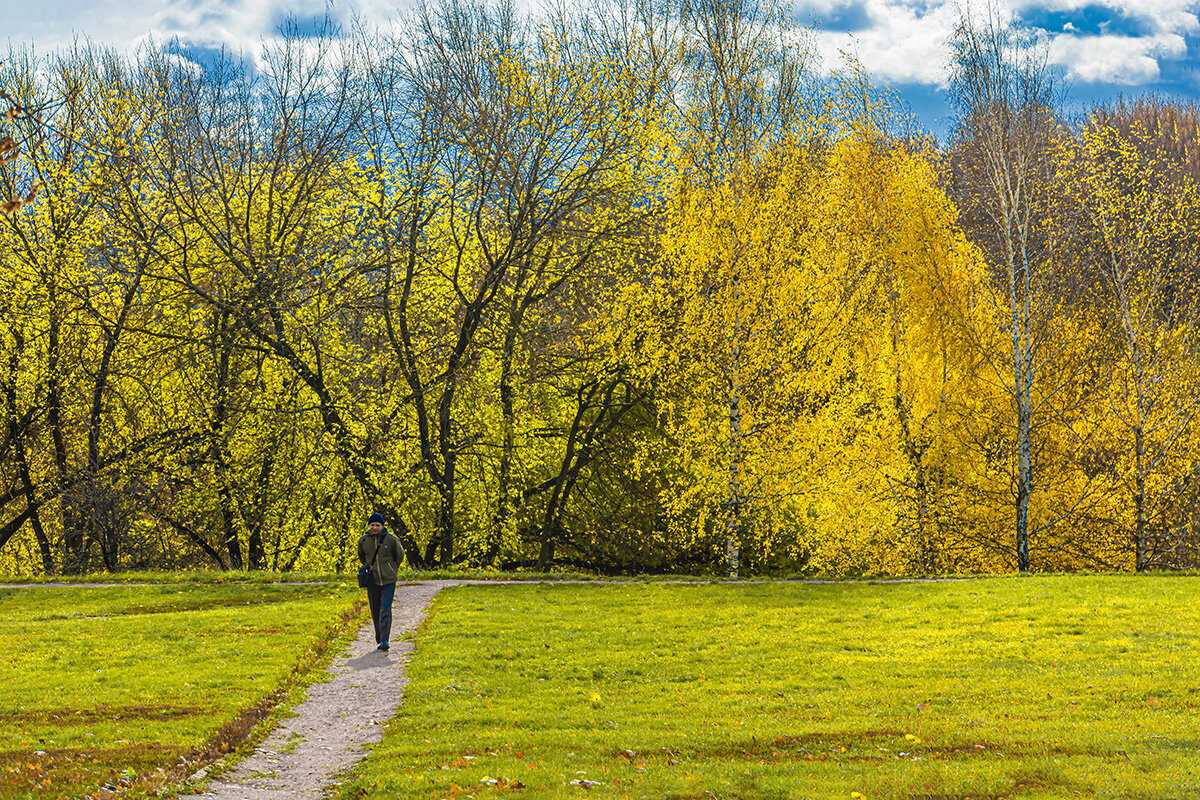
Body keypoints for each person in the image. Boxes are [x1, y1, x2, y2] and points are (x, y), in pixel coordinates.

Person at [357, 512, 405, 651]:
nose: (374, 528)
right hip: (372, 581)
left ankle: (385, 640)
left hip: (388, 580)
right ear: (369, 525)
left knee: (385, 609)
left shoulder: (391, 540)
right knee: (375, 610)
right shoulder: (363, 541)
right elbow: (362, 558)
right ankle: (379, 637)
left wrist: (390, 568)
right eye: (372, 525)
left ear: (382, 526)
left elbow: (399, 556)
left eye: (377, 525)